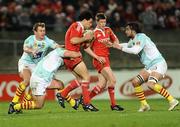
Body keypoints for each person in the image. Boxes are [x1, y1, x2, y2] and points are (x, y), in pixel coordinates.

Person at [114, 22, 179, 112]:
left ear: (133, 30)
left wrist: (120, 47)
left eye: (127, 29)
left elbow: (135, 50)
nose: (126, 31)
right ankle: (144, 105)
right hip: (150, 66)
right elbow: (126, 45)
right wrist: (113, 45)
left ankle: (172, 100)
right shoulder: (134, 40)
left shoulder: (141, 37)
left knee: (150, 85)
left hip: (158, 63)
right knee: (135, 82)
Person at [56, 11, 105, 112]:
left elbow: (85, 48)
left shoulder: (80, 29)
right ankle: (87, 104)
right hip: (73, 57)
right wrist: (85, 37)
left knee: (80, 80)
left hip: (70, 57)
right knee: (86, 77)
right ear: (84, 20)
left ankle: (62, 94)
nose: (91, 25)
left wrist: (96, 56)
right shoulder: (77, 26)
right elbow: (73, 40)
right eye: (90, 22)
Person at [8, 48, 81, 114]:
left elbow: (69, 64)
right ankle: (15, 107)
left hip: (45, 79)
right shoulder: (59, 52)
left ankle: (73, 103)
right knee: (39, 105)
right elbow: (72, 55)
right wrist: (79, 53)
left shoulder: (60, 56)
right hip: (39, 79)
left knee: (60, 84)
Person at [8, 22, 60, 112]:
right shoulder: (30, 39)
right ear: (35, 32)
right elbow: (25, 48)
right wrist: (31, 51)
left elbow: (57, 46)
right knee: (27, 80)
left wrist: (67, 48)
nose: (43, 32)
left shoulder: (47, 40)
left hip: (37, 66)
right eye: (40, 31)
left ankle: (20, 105)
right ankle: (14, 102)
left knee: (35, 86)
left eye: (44, 30)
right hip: (25, 63)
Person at [87, 13, 124, 111]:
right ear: (97, 22)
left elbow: (116, 40)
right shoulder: (93, 33)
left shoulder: (108, 30)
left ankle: (85, 100)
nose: (103, 24)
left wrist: (113, 44)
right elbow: (87, 48)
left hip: (106, 59)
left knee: (102, 85)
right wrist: (96, 56)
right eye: (101, 22)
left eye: (104, 22)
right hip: (99, 60)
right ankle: (113, 105)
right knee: (113, 80)